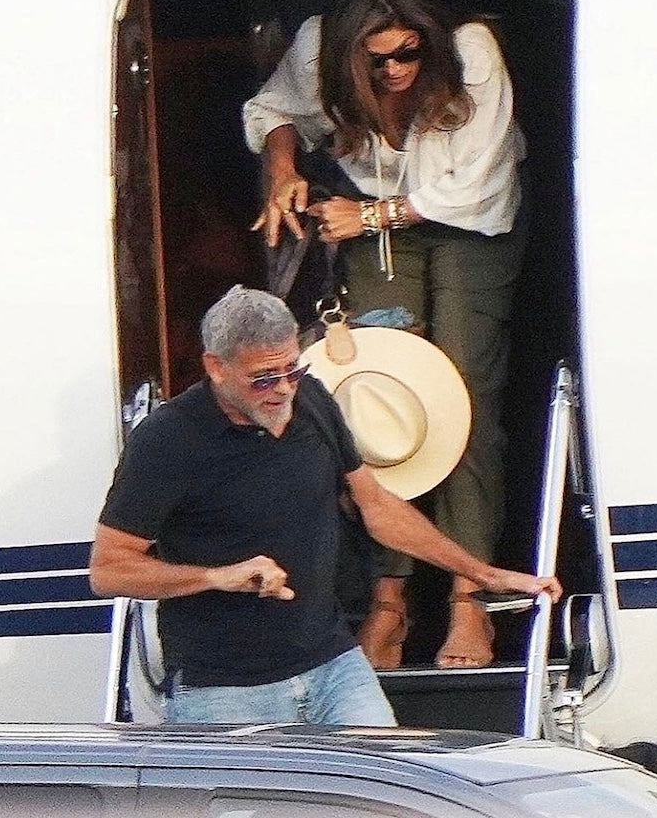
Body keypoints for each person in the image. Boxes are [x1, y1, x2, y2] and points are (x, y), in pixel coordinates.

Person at [89, 286, 561, 725]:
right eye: (263, 379)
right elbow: (109, 570)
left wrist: (483, 574)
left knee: (386, 797)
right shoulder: (167, 440)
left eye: (293, 370)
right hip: (223, 688)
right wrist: (216, 576)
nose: (282, 389)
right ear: (216, 367)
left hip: (333, 663)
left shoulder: (312, 398)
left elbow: (376, 505)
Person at [243, 0, 530, 669]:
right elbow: (272, 107)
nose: (399, 70)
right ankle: (389, 605)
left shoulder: (472, 52)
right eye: (380, 62)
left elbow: (473, 185)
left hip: (472, 224)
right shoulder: (317, 46)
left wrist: (367, 215)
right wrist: (284, 169)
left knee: (461, 397)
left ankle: (470, 603)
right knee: (375, 399)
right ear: (348, 56)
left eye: (410, 54)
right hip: (369, 223)